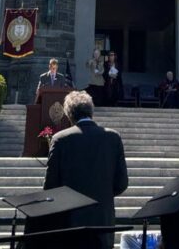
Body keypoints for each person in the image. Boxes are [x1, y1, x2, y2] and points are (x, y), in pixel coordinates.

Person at [43, 90, 129, 249]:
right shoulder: (113, 137)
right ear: (91, 111)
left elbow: (50, 186)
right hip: (103, 221)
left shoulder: (60, 139)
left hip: (70, 222)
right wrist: (100, 193)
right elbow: (122, 183)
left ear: (69, 115)